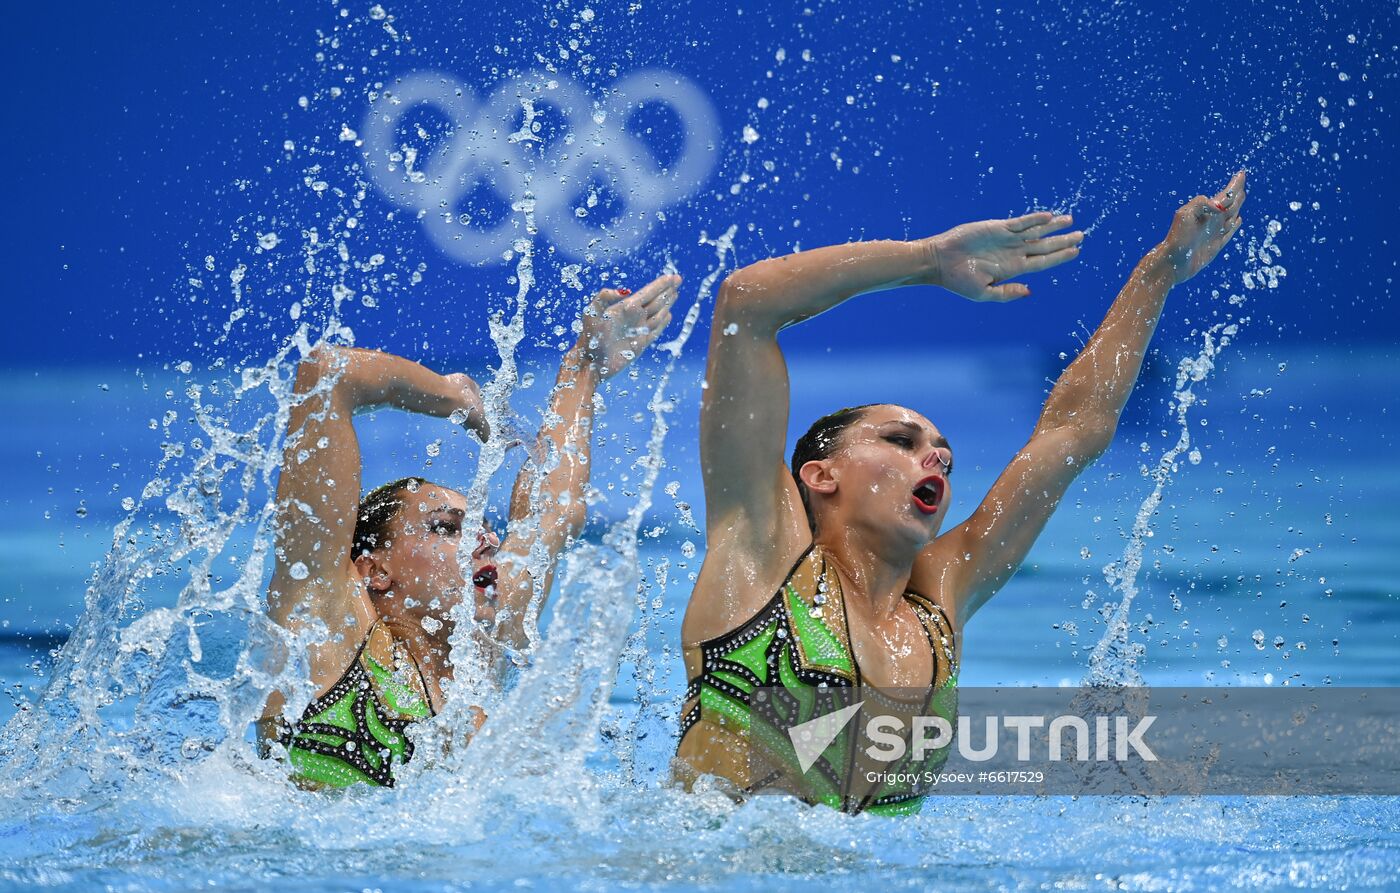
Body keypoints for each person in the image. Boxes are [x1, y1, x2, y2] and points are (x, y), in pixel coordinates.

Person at [676, 172, 1247, 814]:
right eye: (899, 440)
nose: (936, 457)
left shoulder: (936, 605)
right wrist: (926, 260)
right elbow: (747, 305)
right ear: (820, 475)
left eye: (941, 452)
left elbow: (1072, 431)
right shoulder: (762, 555)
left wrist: (1159, 272)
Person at [259, 274, 681, 788]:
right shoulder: (326, 623)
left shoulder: (479, 651)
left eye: (483, 528)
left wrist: (585, 365)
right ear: (375, 569)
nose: (485, 540)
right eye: (445, 528)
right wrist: (452, 395)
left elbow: (552, 511)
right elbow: (327, 374)